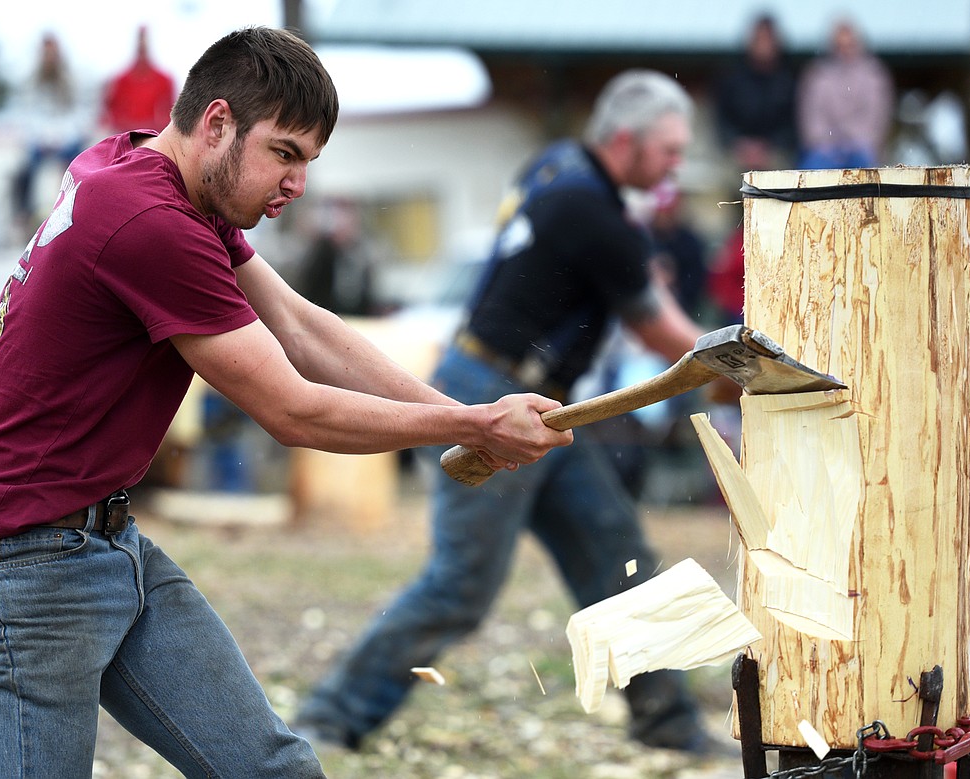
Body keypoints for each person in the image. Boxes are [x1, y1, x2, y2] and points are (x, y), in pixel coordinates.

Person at [0, 26, 570, 779]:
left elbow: (301, 326)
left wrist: (467, 419)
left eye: (309, 162)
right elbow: (292, 410)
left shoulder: (148, 173)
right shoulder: (151, 223)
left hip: (105, 543)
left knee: (276, 771)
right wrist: (468, 423)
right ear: (218, 122)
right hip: (19, 564)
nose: (297, 184)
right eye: (285, 154)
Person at [297, 70, 739, 755]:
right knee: (460, 585)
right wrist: (737, 367)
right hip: (493, 395)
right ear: (625, 139)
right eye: (669, 150)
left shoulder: (555, 167)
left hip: (543, 405)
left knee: (615, 551)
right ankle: (332, 715)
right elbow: (658, 329)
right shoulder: (594, 210)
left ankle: (670, 722)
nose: (676, 166)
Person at [6, 32, 95, 228]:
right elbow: (25, 116)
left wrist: (63, 138)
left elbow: (81, 114)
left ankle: (81, 214)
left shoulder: (72, 80)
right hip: (39, 142)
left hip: (68, 140)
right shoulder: (30, 82)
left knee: (82, 171)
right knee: (23, 174)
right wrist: (41, 139)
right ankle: (24, 215)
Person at [797, 19, 894, 169]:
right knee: (811, 170)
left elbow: (877, 118)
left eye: (849, 46)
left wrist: (852, 141)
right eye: (839, 46)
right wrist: (829, 143)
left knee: (867, 169)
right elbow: (812, 118)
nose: (844, 51)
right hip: (825, 150)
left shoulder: (873, 74)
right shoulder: (818, 75)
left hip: (861, 148)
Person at [714, 13, 798, 172]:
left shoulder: (789, 80)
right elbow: (722, 121)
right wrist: (740, 145)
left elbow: (793, 126)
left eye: (768, 39)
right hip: (736, 153)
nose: (763, 45)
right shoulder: (731, 77)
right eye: (759, 39)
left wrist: (767, 147)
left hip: (776, 153)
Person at [99, 25, 178, 134]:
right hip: (126, 135)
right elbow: (110, 110)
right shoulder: (121, 80)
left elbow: (172, 111)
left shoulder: (164, 80)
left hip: (153, 136)